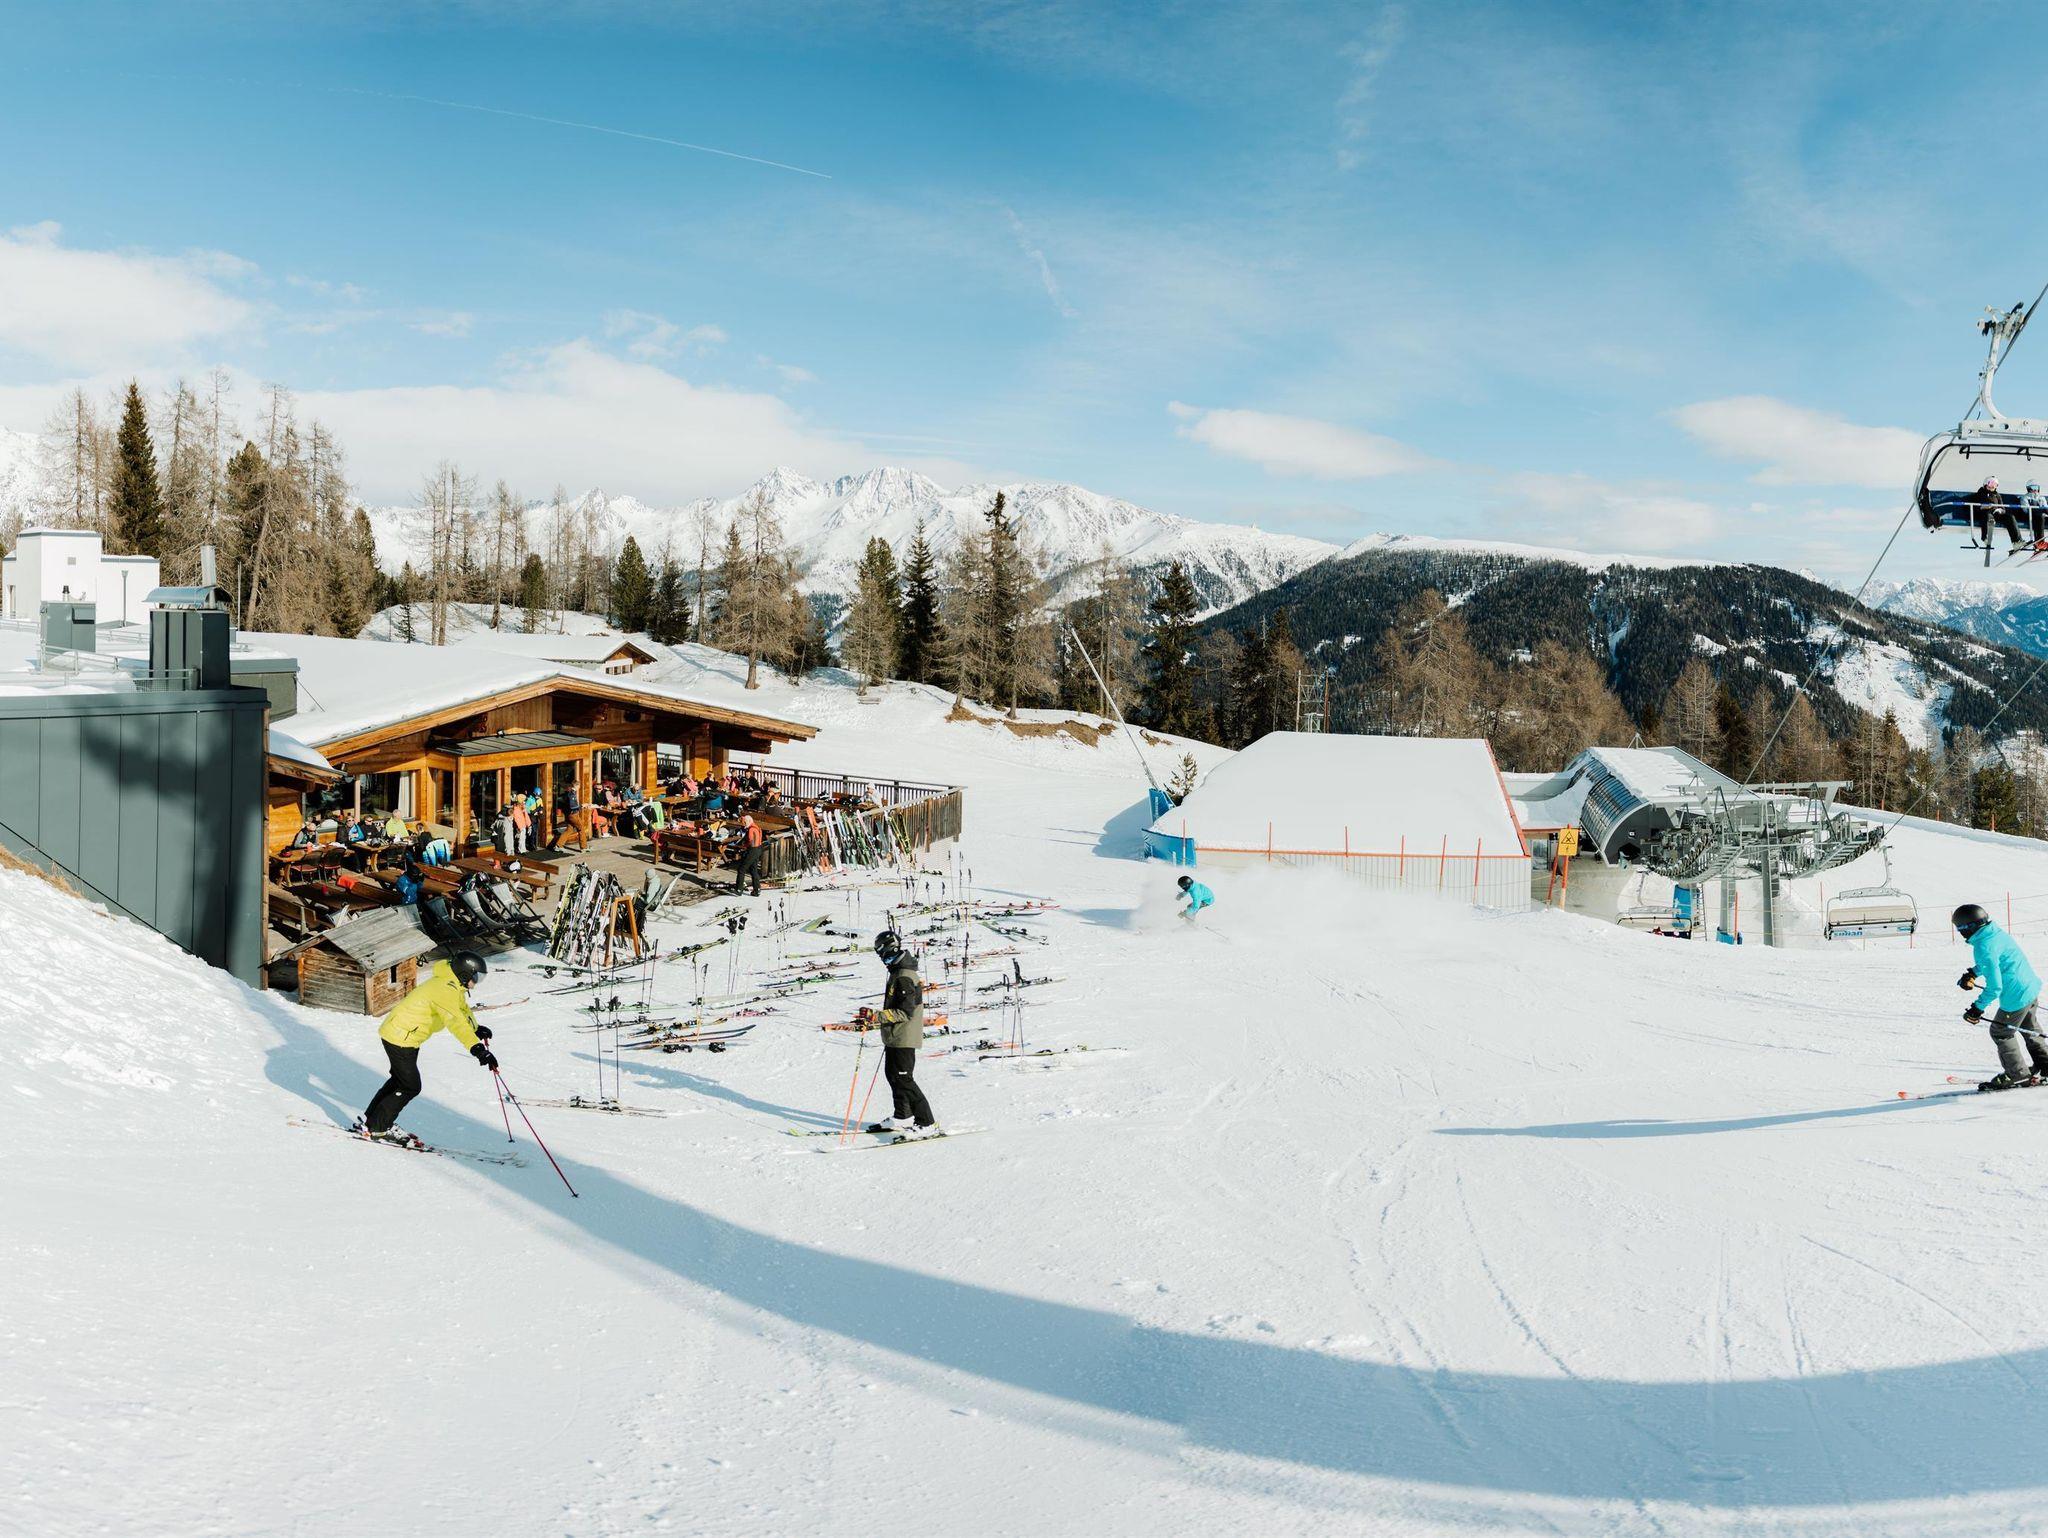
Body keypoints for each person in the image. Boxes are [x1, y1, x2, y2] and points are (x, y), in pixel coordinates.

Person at [353, 951, 497, 1147]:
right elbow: (455, 1021)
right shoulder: (444, 989)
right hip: (400, 1037)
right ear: (465, 973)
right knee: (409, 1086)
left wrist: (475, 1028)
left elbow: (461, 1010)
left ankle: (370, 1120)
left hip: (406, 1036)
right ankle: (378, 1127)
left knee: (399, 1081)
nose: (476, 982)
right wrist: (477, 1048)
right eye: (476, 977)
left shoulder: (452, 984)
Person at [1955, 902, 2048, 1090]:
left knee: (2001, 1032)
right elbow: (1994, 960)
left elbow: (1995, 987)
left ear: (1968, 927)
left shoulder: (1983, 946)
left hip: (2015, 996)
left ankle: (2017, 1075)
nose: (1960, 932)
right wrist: (1973, 972)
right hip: (2029, 988)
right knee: (2029, 1027)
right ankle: (2045, 1065)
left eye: (1959, 928)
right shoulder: (1995, 933)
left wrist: (1976, 1009)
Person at [860, 930, 937, 1138]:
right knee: (893, 1077)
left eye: (881, 953)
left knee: (904, 1079)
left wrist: (876, 1016)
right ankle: (903, 1116)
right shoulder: (898, 972)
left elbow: (904, 1012)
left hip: (904, 1036)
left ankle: (927, 1123)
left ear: (890, 949)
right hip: (896, 1036)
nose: (881, 957)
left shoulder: (904, 976)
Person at [733, 812, 766, 896]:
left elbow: (751, 841)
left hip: (752, 850)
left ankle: (739, 889)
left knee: (742, 869)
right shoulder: (757, 827)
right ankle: (757, 889)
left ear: (748, 821)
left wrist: (745, 846)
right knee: (753, 870)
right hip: (758, 849)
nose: (744, 824)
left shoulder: (751, 829)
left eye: (744, 822)